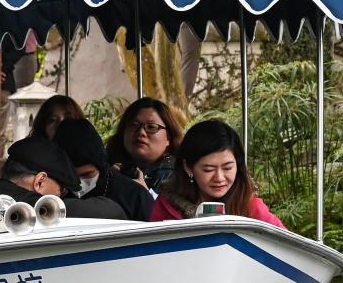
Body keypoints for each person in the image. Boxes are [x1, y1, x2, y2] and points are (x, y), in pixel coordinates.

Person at [0, 136, 126, 225]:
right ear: (39, 182)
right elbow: (111, 211)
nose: (61, 198)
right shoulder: (30, 207)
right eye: (61, 191)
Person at [149, 120, 285, 226]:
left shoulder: (251, 207)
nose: (219, 178)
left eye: (227, 168)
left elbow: (283, 246)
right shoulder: (166, 206)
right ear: (188, 167)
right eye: (208, 170)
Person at [51, 118, 154, 222]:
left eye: (87, 174)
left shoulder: (134, 196)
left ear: (101, 167)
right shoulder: (48, 195)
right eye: (70, 176)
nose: (78, 182)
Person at [105, 96, 183, 192]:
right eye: (133, 125)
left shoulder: (180, 176)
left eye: (151, 127)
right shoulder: (106, 166)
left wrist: (144, 194)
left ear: (169, 138)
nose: (141, 132)